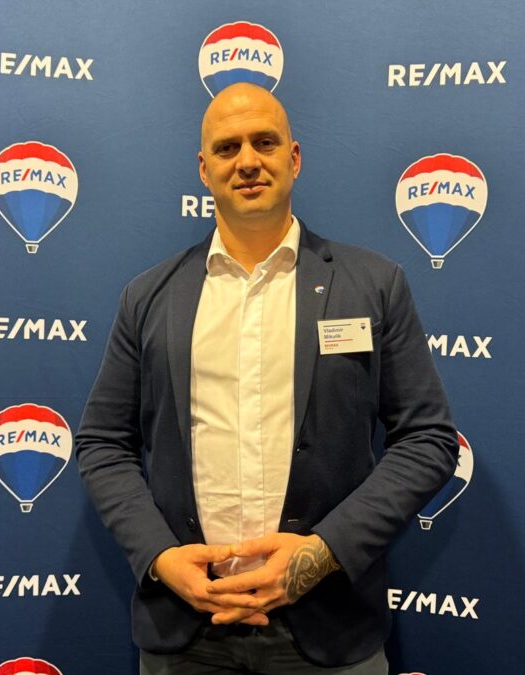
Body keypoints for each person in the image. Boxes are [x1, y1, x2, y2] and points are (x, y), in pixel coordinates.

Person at [76, 83, 459, 673]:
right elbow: (103, 443)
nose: (248, 161)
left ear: (294, 158)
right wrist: (159, 557)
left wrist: (321, 555)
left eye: (265, 142)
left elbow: (428, 441)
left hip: (329, 626)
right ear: (203, 169)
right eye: (227, 148)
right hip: (185, 632)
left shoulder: (374, 285)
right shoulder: (149, 296)